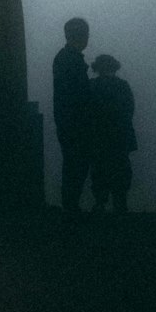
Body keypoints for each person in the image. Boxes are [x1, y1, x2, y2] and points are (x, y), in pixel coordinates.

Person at [87, 54, 137, 215]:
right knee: (121, 170)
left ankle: (100, 203)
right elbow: (129, 110)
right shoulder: (123, 86)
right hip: (120, 136)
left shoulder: (92, 85)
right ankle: (120, 204)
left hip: (98, 136)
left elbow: (87, 111)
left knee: (99, 170)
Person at [53, 16, 91, 218]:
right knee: (76, 167)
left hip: (67, 123)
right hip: (75, 124)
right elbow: (77, 95)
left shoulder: (63, 57)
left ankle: (70, 208)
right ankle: (71, 209)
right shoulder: (72, 59)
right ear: (82, 36)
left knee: (73, 166)